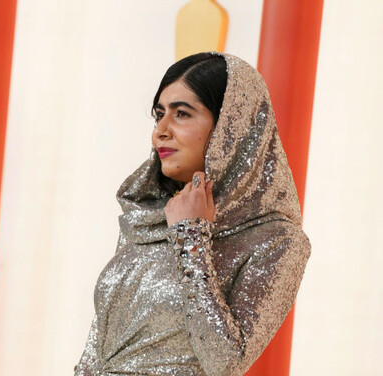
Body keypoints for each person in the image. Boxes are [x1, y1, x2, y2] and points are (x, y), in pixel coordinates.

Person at [74, 52, 311, 376]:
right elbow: (96, 351)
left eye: (181, 113)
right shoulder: (149, 219)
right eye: (159, 115)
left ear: (233, 126)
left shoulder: (277, 240)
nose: (160, 130)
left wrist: (191, 237)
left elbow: (225, 361)